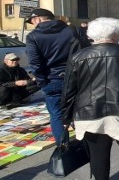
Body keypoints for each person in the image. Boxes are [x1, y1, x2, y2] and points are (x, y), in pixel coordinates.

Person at [61, 18, 119, 180]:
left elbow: (69, 90)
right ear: (114, 35)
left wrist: (66, 116)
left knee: (97, 152)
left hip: (89, 110)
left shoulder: (78, 56)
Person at [25, 8, 77, 145]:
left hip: (53, 79)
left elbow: (35, 63)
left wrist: (43, 83)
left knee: (57, 115)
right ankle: (87, 143)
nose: (33, 25)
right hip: (76, 76)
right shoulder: (71, 30)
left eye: (32, 21)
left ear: (37, 19)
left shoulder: (33, 36)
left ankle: (63, 146)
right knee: (80, 110)